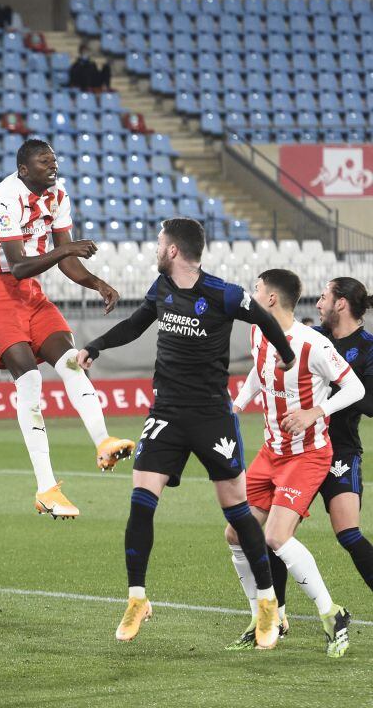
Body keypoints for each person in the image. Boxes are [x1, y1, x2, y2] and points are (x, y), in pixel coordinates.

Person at [76, 218, 297, 647]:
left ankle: (268, 603)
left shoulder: (223, 293)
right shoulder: (161, 289)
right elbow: (135, 324)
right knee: (141, 503)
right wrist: (94, 346)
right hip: (166, 414)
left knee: (237, 511)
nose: (156, 249)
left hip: (212, 416)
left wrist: (285, 355)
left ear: (173, 250)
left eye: (160, 243)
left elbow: (266, 320)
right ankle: (137, 598)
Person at [0, 139, 134, 519]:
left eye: (54, 161)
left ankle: (104, 442)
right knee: (29, 380)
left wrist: (97, 283)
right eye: (44, 162)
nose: (53, 167)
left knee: (72, 361)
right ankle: (46, 488)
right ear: (24, 170)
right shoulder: (5, 199)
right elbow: (17, 266)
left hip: (30, 291)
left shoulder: (58, 196)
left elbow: (65, 260)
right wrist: (67, 249)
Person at [225, 270, 363, 657]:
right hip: (271, 452)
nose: (252, 294)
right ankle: (264, 619)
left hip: (307, 454)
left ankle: (332, 614)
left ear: (271, 298)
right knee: (235, 534)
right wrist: (238, 403)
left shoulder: (312, 344)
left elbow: (355, 387)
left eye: (257, 289)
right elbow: (259, 372)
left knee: (275, 536)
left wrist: (315, 411)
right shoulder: (257, 332)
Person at [258, 278, 373, 647]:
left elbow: (370, 402)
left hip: (340, 450)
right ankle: (278, 616)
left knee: (348, 534)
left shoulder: (367, 347)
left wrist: (328, 385)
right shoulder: (311, 337)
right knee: (274, 535)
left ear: (341, 304)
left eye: (324, 297)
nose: (318, 303)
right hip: (298, 450)